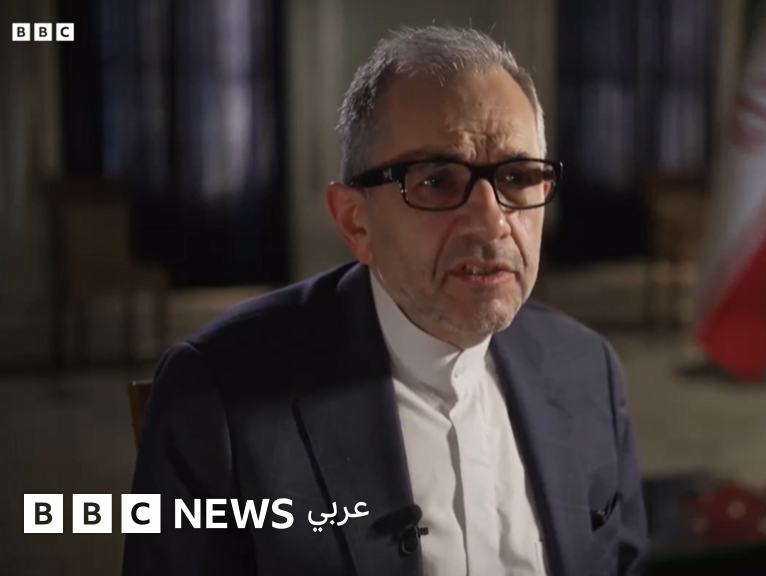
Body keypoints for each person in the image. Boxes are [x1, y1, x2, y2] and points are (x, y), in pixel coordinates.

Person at [123, 25, 646, 576]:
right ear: (356, 221)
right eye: (438, 181)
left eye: (517, 177)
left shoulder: (588, 368)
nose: (492, 221)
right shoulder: (217, 395)